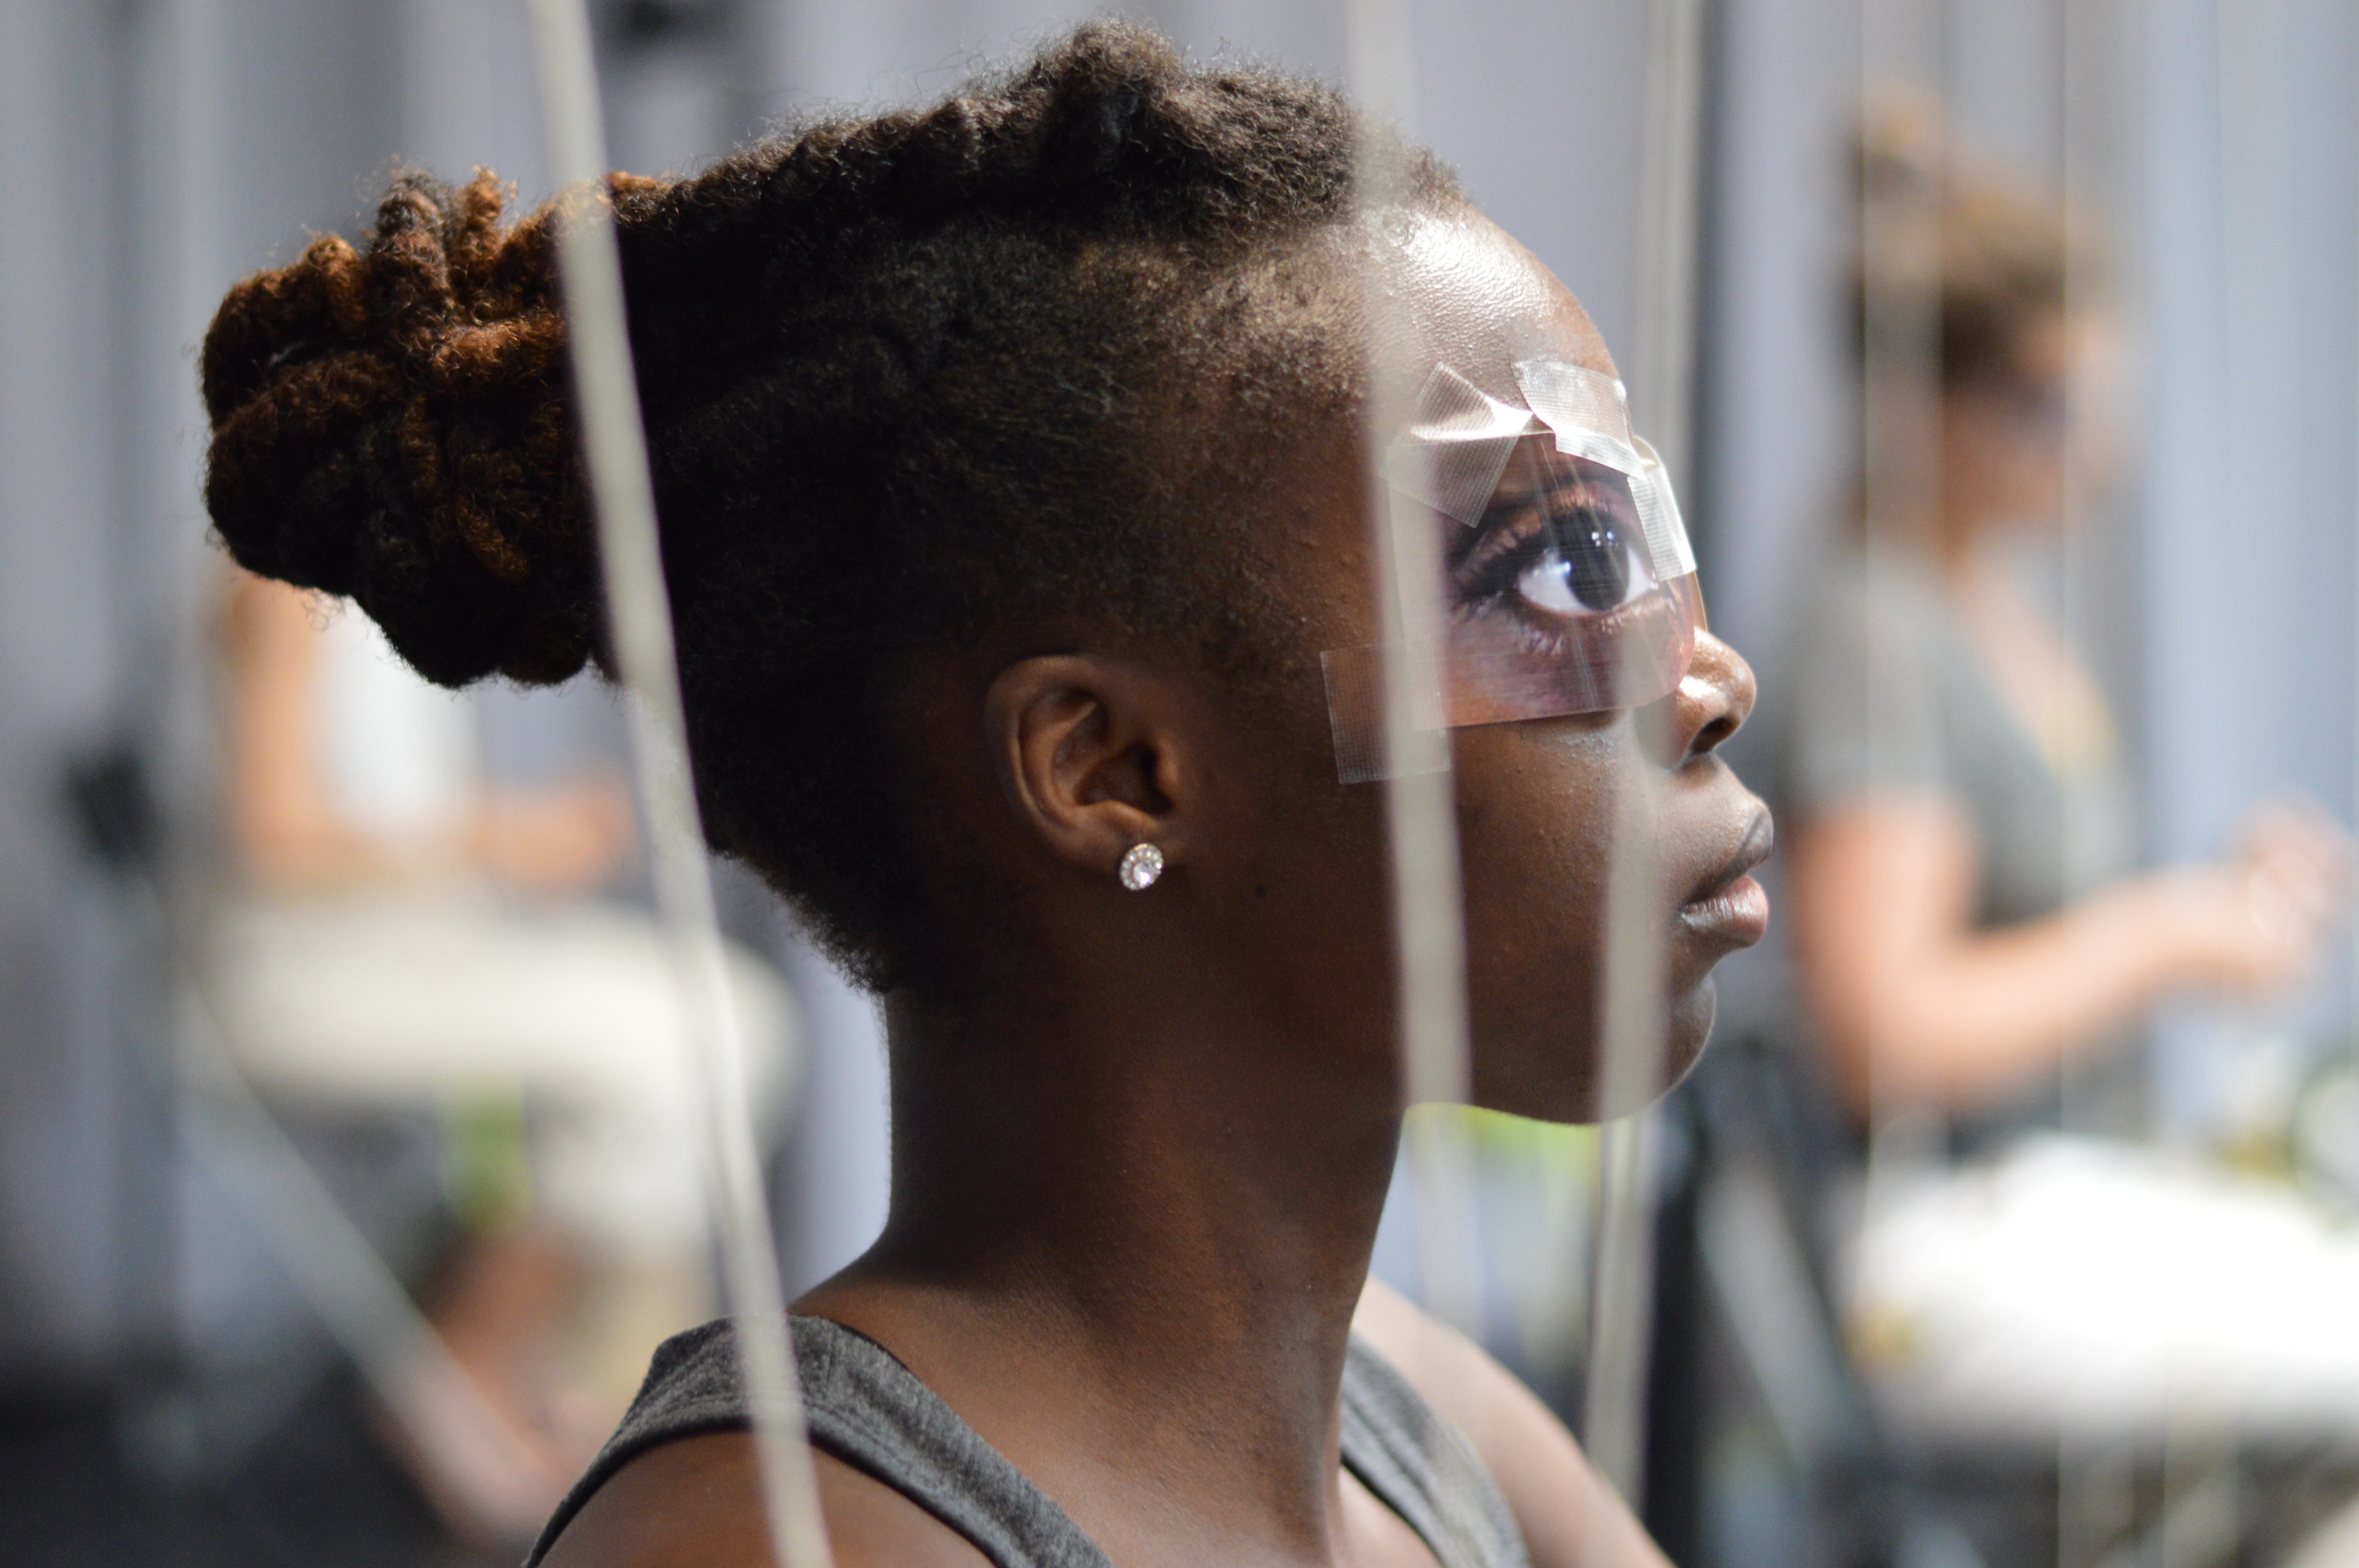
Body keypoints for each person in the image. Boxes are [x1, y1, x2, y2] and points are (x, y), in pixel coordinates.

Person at [196, 23, 1768, 1567]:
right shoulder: (770, 1543)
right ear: (1111, 770)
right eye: (1563, 567)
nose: (1709, 682)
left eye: (1639, 546)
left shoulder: (1432, 1431)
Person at [1774, 105, 2345, 1128]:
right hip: (1949, 1216)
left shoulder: (1992, 599)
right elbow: (1882, 1036)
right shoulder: (1879, 634)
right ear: (1922, 405)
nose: (2098, 454)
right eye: (2053, 411)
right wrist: (2166, 935)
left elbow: (2034, 918)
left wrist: (2222, 900)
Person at [210, 569, 797, 1538]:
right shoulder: (281, 587)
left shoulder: (373, 594)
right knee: (690, 1041)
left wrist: (513, 842)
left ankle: (524, 1378)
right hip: (306, 979)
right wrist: (500, 836)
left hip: (415, 951)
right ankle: (511, 1381)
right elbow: (270, 833)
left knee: (725, 1023)